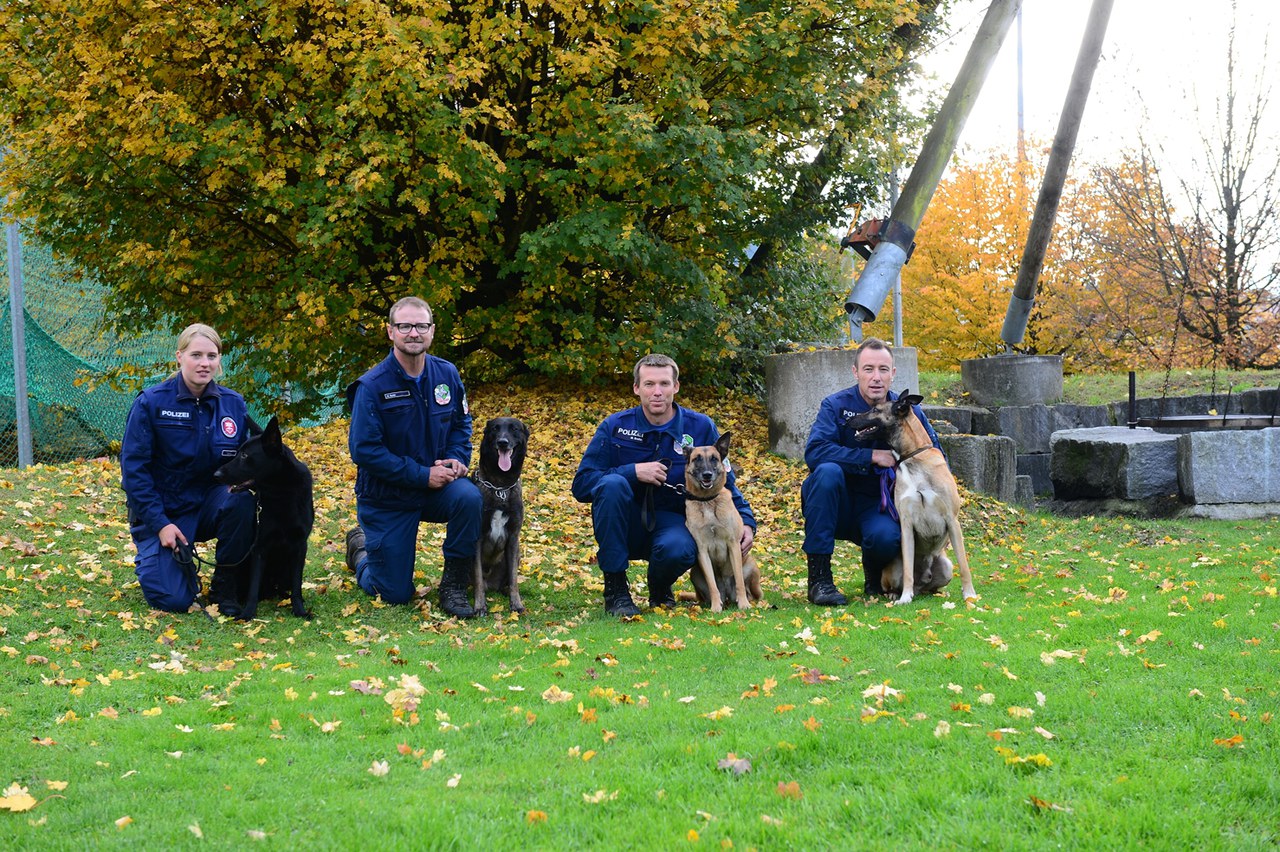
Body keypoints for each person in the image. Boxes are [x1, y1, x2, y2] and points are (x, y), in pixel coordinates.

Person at [572, 354, 757, 616]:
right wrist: (632, 472)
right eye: (649, 384)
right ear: (636, 388)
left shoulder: (701, 426)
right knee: (612, 484)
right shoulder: (615, 427)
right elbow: (582, 484)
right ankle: (616, 590)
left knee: (680, 548)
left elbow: (725, 481)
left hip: (675, 521)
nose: (657, 392)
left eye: (664, 384)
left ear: (676, 386)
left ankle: (659, 588)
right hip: (624, 521)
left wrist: (747, 522)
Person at [343, 297, 482, 618]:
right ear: (390, 332)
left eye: (421, 326)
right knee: (393, 592)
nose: (413, 333)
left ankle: (454, 586)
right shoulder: (373, 386)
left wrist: (456, 458)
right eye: (404, 326)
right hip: (387, 497)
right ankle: (362, 552)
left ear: (432, 331)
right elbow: (364, 451)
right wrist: (422, 475)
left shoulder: (446, 374)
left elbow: (462, 424)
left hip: (436, 490)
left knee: (469, 497)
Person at [120, 323, 258, 612]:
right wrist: (160, 524)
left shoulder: (233, 405)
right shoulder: (151, 403)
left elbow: (244, 466)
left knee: (241, 500)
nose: (205, 363)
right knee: (173, 600)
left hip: (209, 502)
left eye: (212, 356)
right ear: (179, 357)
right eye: (196, 355)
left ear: (219, 359)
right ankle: (163, 560)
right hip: (165, 509)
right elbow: (134, 473)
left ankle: (225, 586)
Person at [801, 337, 942, 604]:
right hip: (835, 501)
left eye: (883, 369)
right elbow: (814, 452)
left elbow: (935, 456)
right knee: (827, 473)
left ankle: (875, 578)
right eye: (868, 369)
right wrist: (871, 456)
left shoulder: (907, 412)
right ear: (855, 372)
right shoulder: (834, 406)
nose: (876, 377)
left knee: (885, 537)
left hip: (880, 505)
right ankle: (819, 580)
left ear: (893, 374)